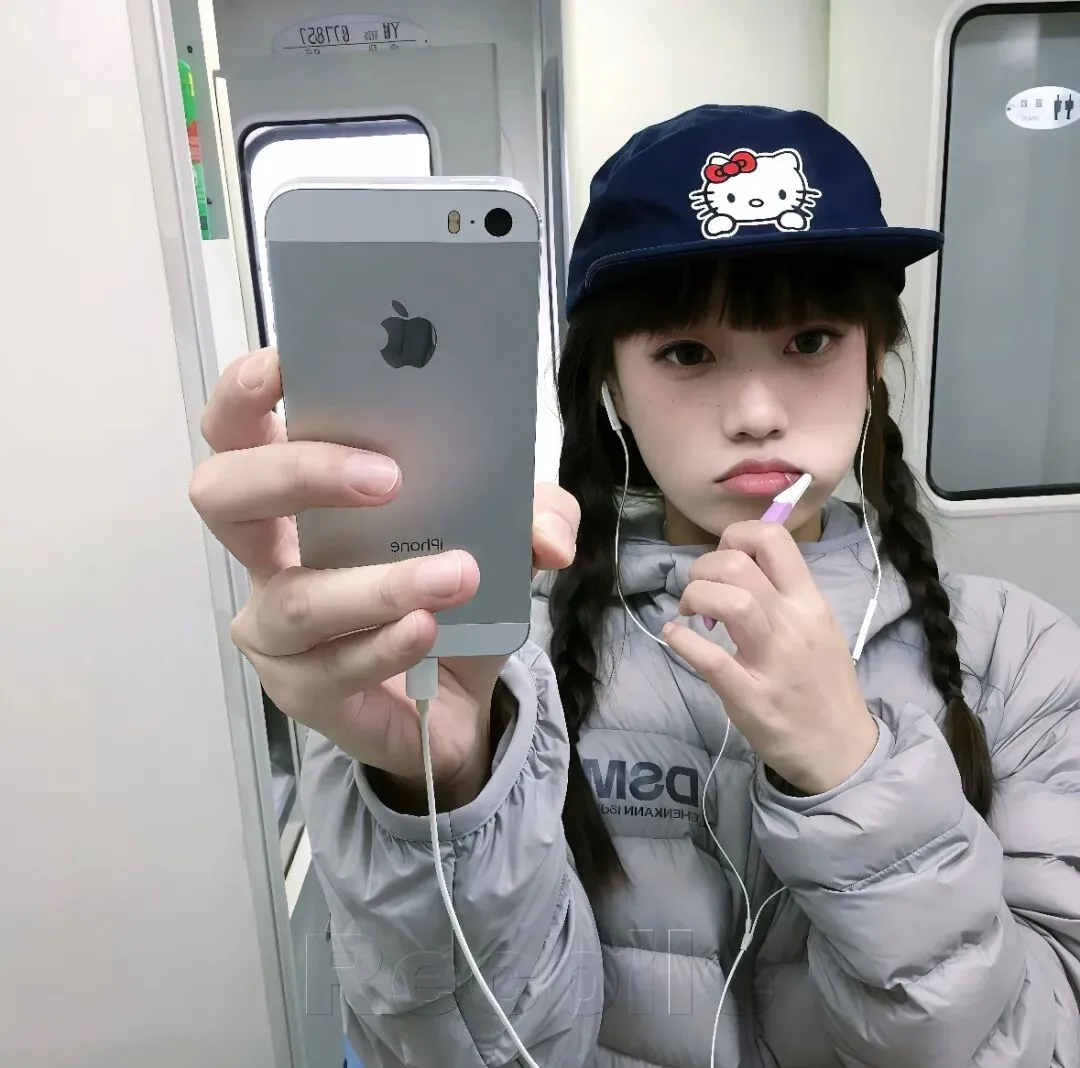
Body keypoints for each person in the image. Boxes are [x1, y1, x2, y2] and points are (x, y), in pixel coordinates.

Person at [189, 105, 1080, 1067]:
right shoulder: (501, 656)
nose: (756, 412)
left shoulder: (1020, 659)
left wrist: (855, 776)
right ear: (611, 385)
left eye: (812, 340)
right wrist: (442, 793)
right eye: (687, 353)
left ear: (873, 360)